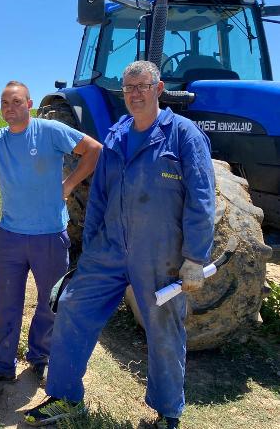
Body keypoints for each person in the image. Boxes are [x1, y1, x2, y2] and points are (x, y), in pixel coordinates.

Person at [23, 61, 215, 428]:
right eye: (129, 89)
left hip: (161, 256)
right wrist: (91, 245)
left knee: (163, 332)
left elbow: (202, 199)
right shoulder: (116, 135)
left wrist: (194, 257)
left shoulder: (184, 135)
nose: (135, 94)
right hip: (109, 249)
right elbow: (99, 196)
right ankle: (63, 396)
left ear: (158, 90)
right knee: (72, 305)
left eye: (143, 87)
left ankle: (168, 411)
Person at [0, 81, 102, 387]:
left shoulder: (50, 131)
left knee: (49, 302)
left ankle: (41, 357)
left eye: (16, 102)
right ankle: (2, 363)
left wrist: (69, 185)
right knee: (6, 302)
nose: (10, 108)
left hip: (49, 235)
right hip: (10, 236)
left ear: (29, 105)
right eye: (5, 103)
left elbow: (93, 150)